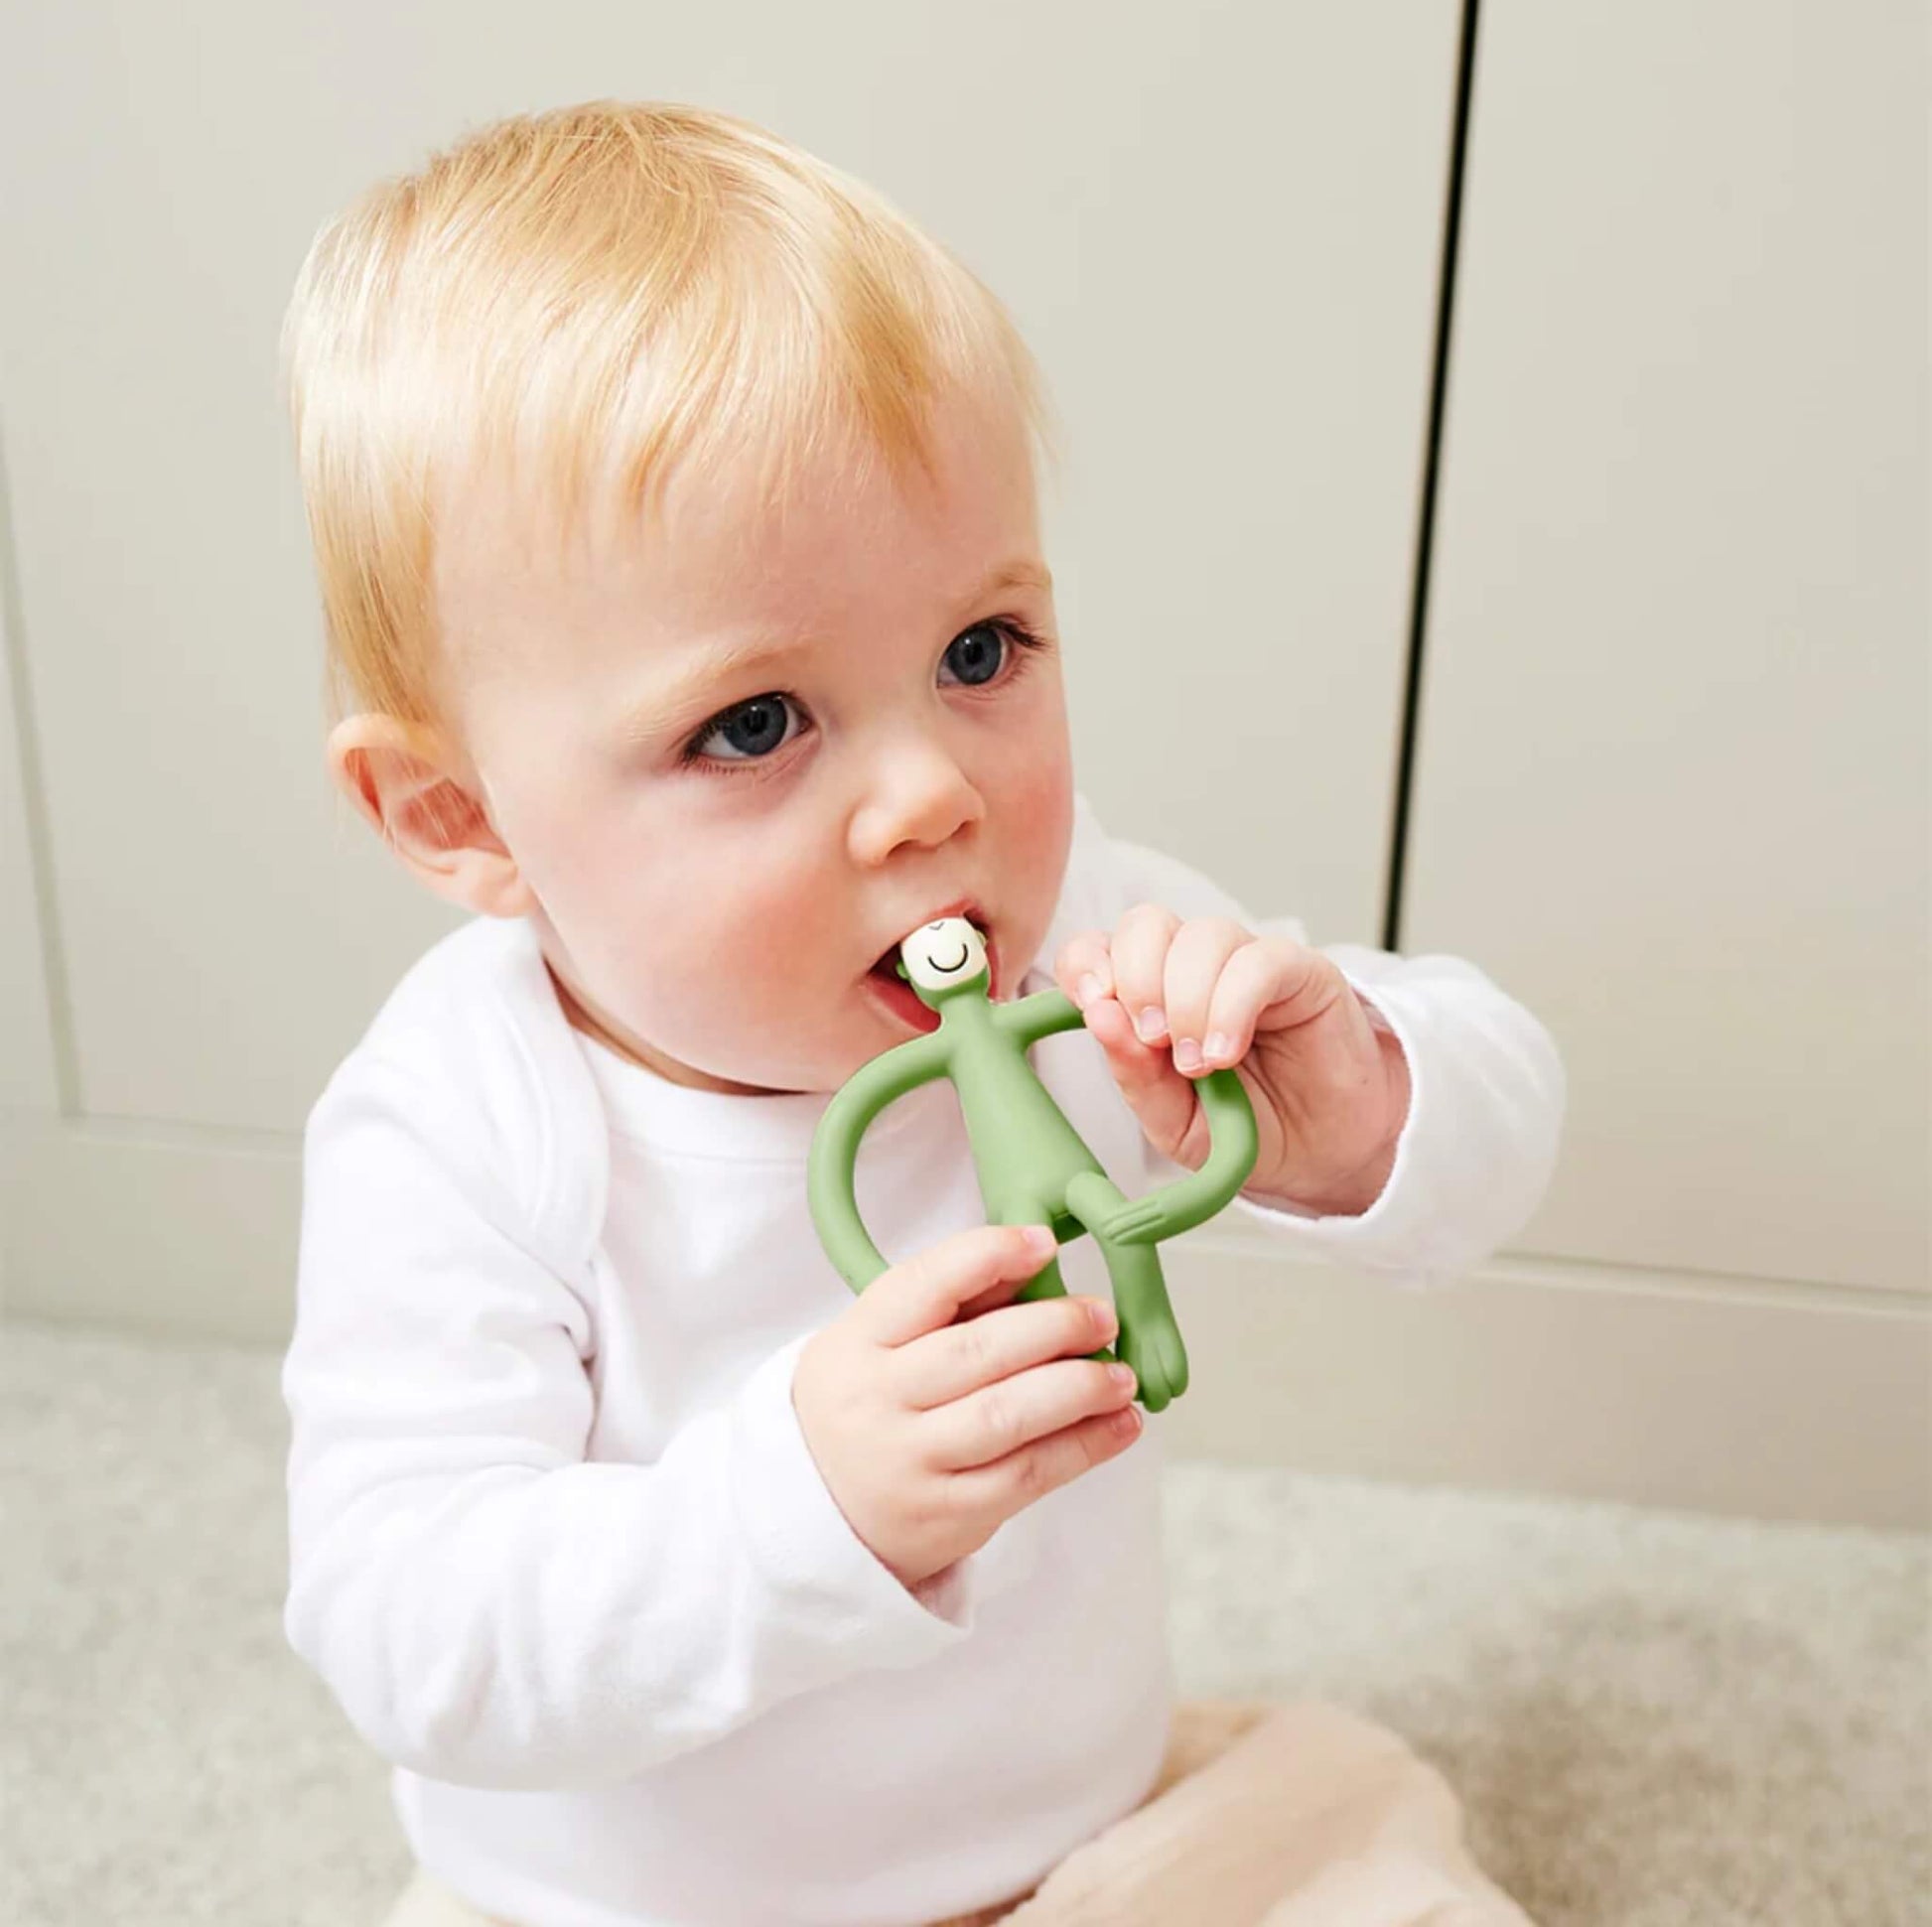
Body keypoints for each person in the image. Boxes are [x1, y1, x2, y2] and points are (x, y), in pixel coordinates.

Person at [279, 99, 1564, 1927]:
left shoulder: (1086, 934)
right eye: (753, 724)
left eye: (980, 656)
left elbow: (1502, 1121)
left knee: (1359, 1856)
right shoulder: (461, 1118)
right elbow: (409, 1628)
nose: (928, 799)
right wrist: (800, 1502)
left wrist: (1347, 1096)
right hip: (626, 1905)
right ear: (463, 819)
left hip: (1079, 1839)